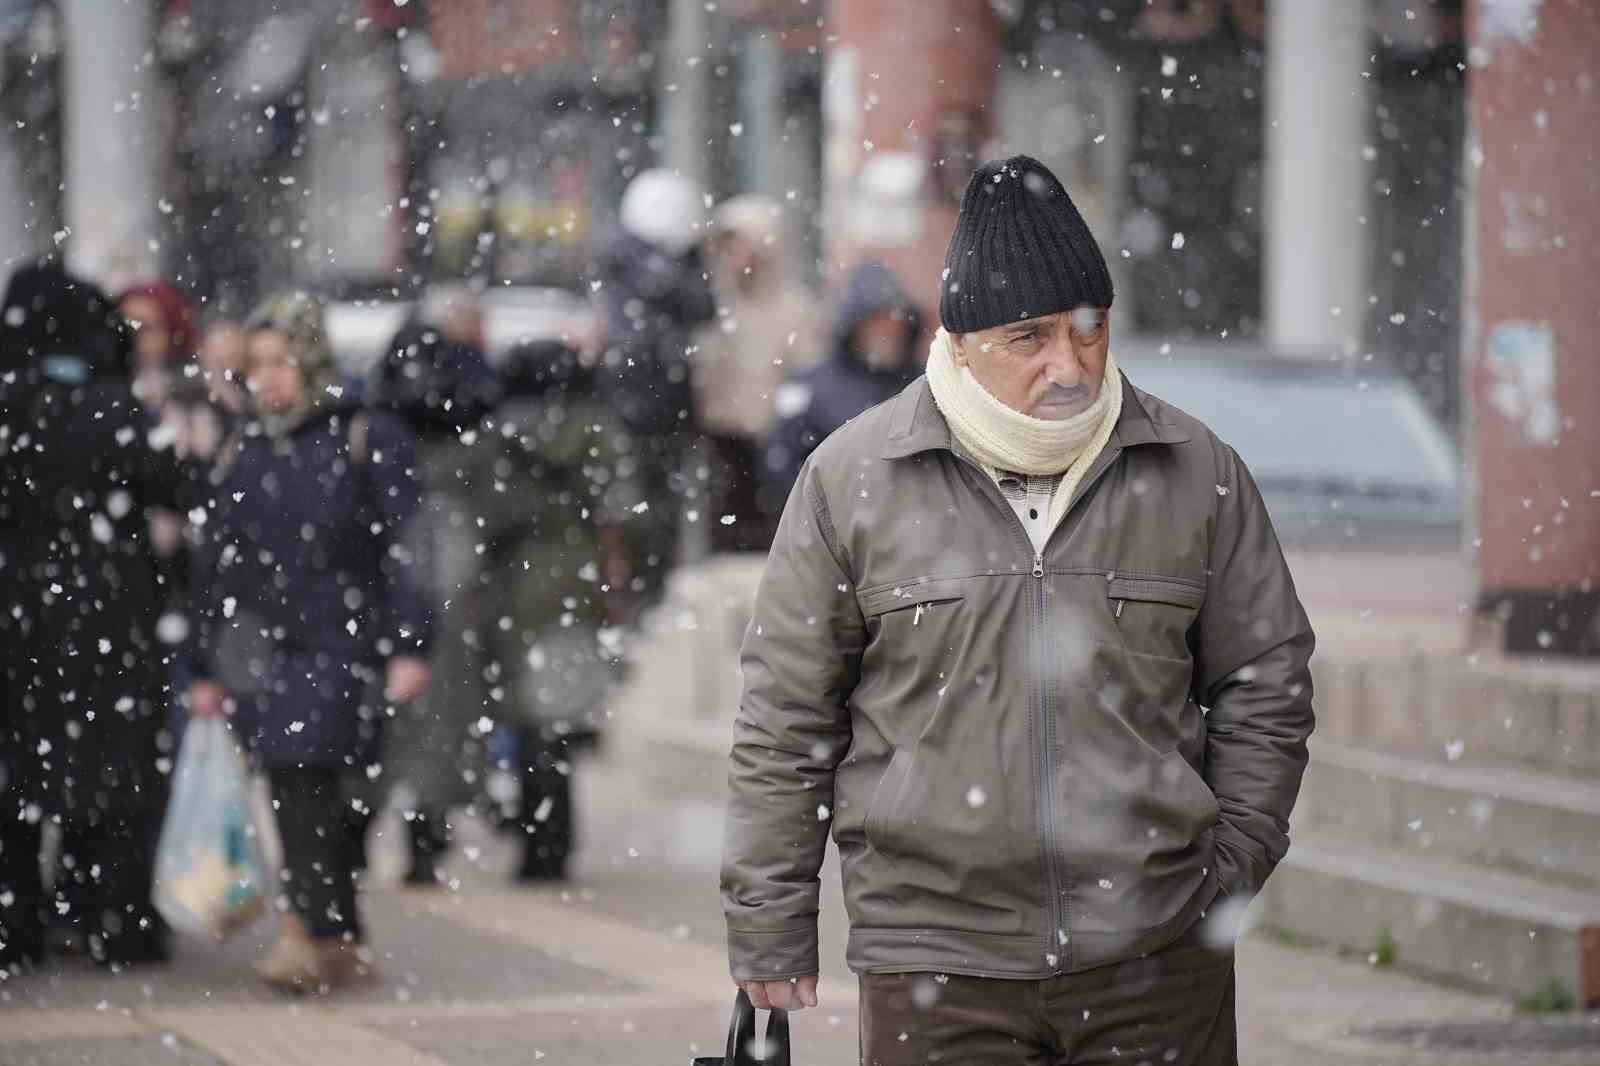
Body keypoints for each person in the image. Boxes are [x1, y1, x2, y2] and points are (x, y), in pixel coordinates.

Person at [720, 156, 1316, 1064]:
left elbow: (1266, 681)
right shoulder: (852, 480)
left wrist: (1225, 867)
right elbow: (785, 715)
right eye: (1029, 337)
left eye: (1089, 330)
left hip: (1157, 960)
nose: (1068, 365)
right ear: (959, 342)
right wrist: (770, 920)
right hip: (938, 966)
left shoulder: (1198, 472)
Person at [187, 290, 432, 991]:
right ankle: (323, 933)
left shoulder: (364, 435)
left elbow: (411, 547)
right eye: (258, 362)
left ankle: (319, 930)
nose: (268, 376)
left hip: (343, 640)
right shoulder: (242, 444)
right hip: (260, 650)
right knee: (300, 785)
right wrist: (204, 662)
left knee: (329, 791)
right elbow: (215, 563)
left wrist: (411, 642)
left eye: (282, 360)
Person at [0, 263, 186, 970]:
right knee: (112, 774)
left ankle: (15, 924)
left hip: (15, 612)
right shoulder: (112, 406)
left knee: (17, 776)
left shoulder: (11, 404)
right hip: (107, 610)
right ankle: (115, 918)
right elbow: (169, 483)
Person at [468, 337, 641, 880]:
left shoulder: (501, 429)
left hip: (514, 590)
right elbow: (625, 510)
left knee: (523, 719)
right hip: (574, 585)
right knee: (558, 723)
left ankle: (531, 841)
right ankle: (554, 844)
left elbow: (484, 513)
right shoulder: (597, 428)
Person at [367, 285, 502, 885]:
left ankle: (378, 828)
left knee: (398, 717)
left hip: (394, 592)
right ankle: (427, 832)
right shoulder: (475, 431)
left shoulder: (382, 431)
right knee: (444, 712)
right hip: (448, 589)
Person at [593, 169, 716, 613]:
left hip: (666, 408)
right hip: (634, 407)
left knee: (661, 512)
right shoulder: (633, 266)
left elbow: (703, 307)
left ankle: (650, 595)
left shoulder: (676, 265)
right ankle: (638, 597)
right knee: (635, 512)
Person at [691, 195, 820, 552]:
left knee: (775, 543)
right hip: (722, 444)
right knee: (725, 542)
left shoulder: (795, 309)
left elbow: (807, 376)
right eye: (726, 247)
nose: (734, 257)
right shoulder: (712, 304)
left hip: (775, 446)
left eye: (741, 245)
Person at [760, 260, 922, 501]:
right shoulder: (811, 386)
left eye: (892, 320)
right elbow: (780, 460)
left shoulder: (925, 385)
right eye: (875, 321)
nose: (886, 331)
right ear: (855, 324)